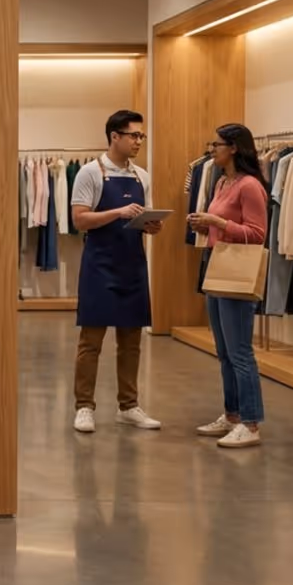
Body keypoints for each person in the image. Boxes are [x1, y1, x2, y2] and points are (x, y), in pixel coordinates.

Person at [70, 109, 164, 434]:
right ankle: (84, 406)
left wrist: (150, 226)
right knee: (90, 341)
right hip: (99, 265)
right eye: (133, 135)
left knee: (132, 341)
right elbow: (80, 220)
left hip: (133, 265)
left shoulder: (142, 175)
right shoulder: (89, 173)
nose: (139, 141)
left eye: (141, 136)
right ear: (114, 136)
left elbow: (143, 216)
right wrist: (119, 212)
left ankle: (129, 406)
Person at [188, 123, 271, 449]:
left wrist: (216, 222)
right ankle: (232, 414)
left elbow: (257, 233)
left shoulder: (250, 186)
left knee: (239, 352)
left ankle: (251, 423)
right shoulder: (221, 181)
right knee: (223, 351)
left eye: (217, 144)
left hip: (236, 268)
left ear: (234, 148)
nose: (212, 149)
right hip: (216, 263)